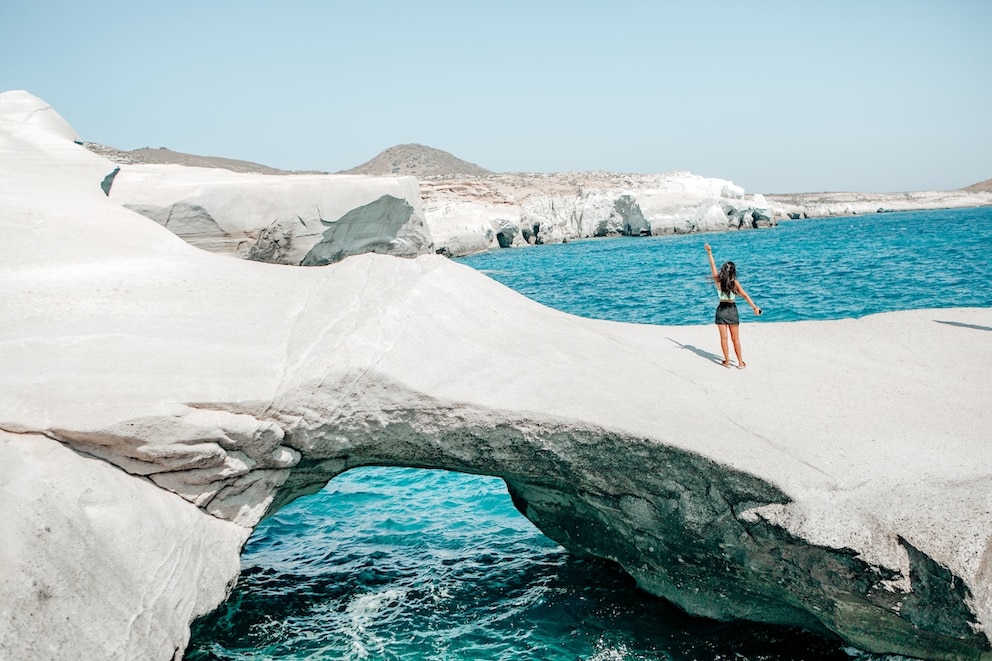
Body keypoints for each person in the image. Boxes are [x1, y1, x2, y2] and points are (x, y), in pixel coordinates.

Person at [705, 243, 761, 368]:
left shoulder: (718, 280)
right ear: (733, 272)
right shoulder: (734, 283)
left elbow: (712, 266)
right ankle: (740, 363)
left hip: (721, 310)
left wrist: (709, 252)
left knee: (723, 338)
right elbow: (745, 296)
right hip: (732, 310)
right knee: (735, 339)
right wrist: (755, 308)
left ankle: (727, 361)